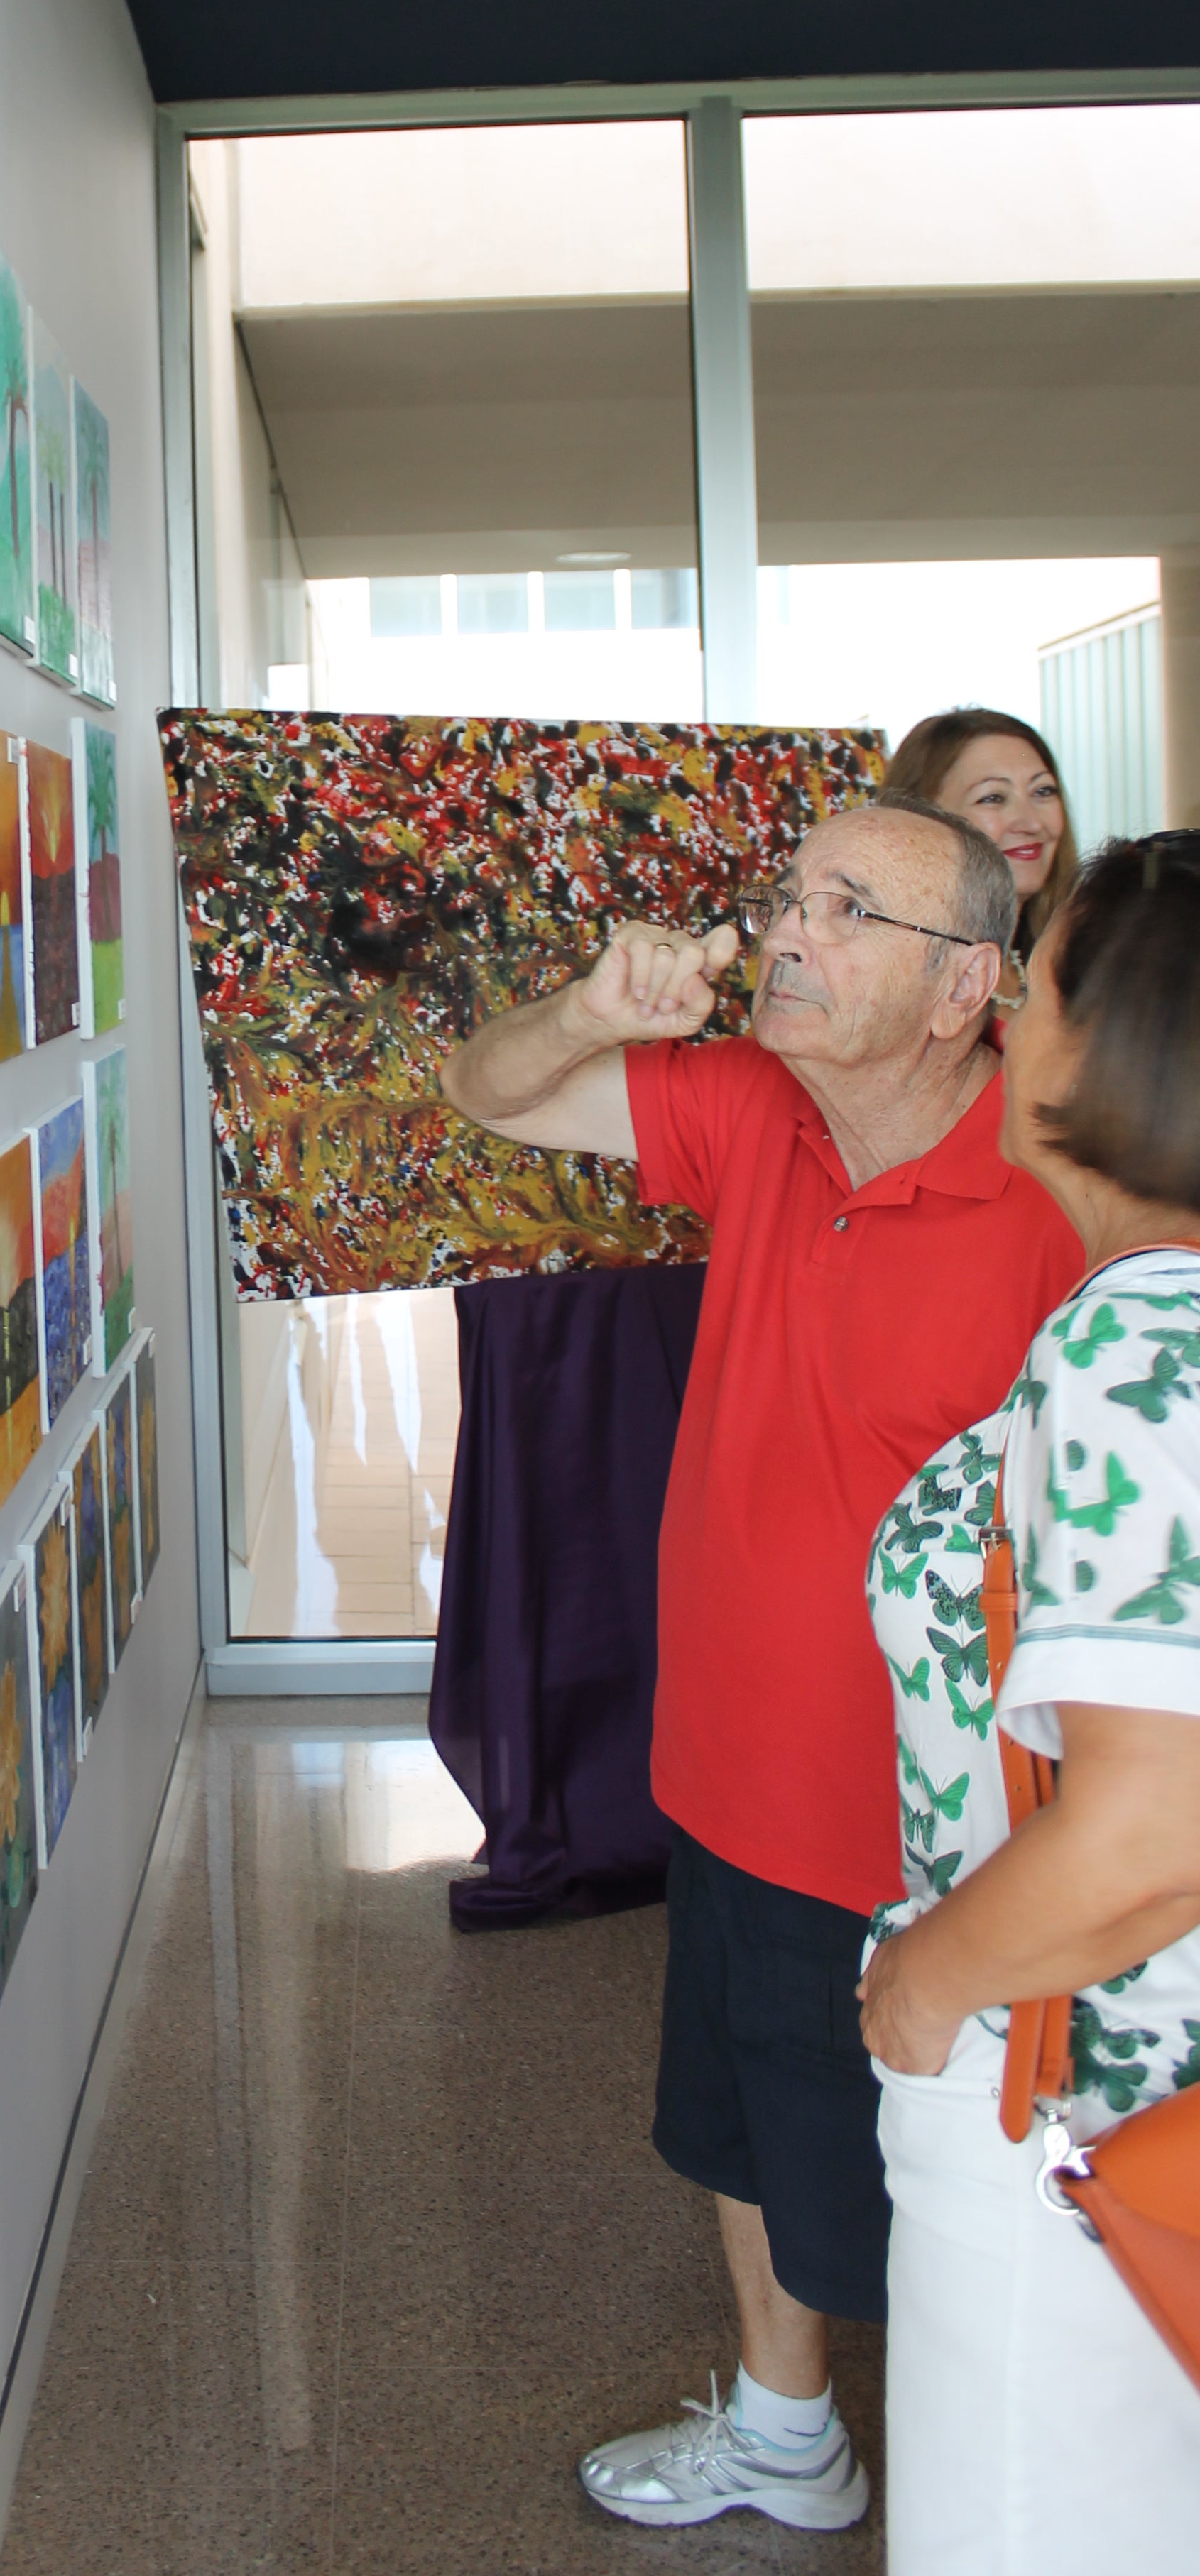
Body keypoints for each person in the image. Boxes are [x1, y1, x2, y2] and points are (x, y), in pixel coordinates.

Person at [440, 796, 1082, 2533]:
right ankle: (785, 2435)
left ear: (963, 985)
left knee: (966, 2202)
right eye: (786, 894)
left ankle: (1013, 2502)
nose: (783, 931)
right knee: (733, 2131)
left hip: (947, 1836)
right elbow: (477, 1091)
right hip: (725, 1774)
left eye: (841, 909)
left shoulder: (1056, 1184)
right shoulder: (746, 1112)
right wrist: (585, 1012)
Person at [860, 833, 1200, 2565]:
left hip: (1081, 2102)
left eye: (1035, 975)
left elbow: (1153, 1827)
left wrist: (918, 1989)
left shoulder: (1137, 1340)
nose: (1000, 1007)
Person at [884, 708, 1076, 960]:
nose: (1032, 823)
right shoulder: (899, 977)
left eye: (1043, 791)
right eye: (993, 798)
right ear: (922, 819)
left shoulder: (1068, 963)